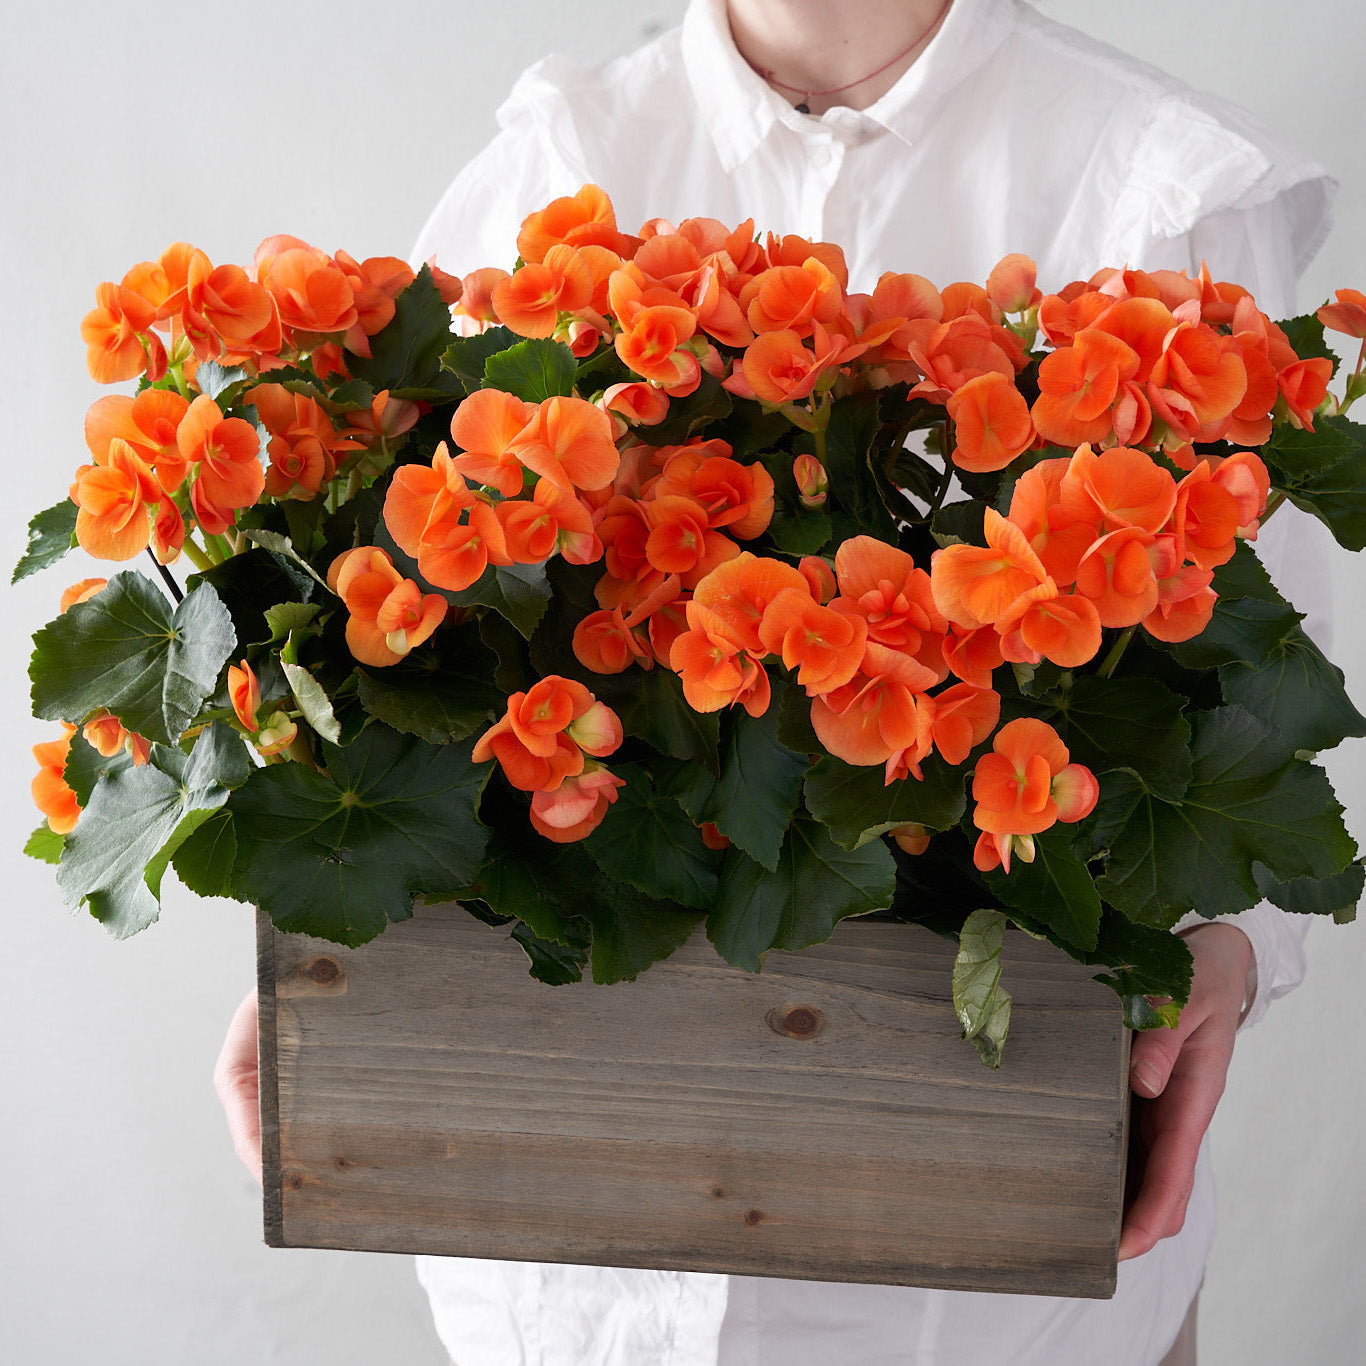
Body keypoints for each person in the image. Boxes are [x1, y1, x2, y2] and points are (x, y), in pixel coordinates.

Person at [217, 1, 1337, 1361]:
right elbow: (408, 640)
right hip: (576, 1292)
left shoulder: (1169, 192)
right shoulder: (547, 163)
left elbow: (1275, 708)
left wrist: (1221, 948)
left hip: (990, 1310)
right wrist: (321, 954)